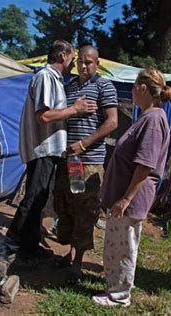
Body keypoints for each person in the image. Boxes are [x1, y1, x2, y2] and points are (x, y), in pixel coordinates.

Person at [0, 40, 98, 266]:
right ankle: (8, 247)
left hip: (49, 149)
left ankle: (30, 246)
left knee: (39, 199)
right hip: (43, 148)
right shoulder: (45, 76)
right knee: (33, 198)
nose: (75, 63)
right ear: (63, 56)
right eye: (73, 57)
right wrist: (75, 109)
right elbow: (43, 116)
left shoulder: (55, 79)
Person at [92, 68, 171, 307]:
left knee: (124, 245)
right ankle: (115, 286)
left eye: (134, 86)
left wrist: (126, 198)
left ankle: (120, 295)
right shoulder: (147, 117)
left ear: (143, 88)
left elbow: (145, 164)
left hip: (131, 197)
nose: (132, 91)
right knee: (116, 243)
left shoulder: (153, 119)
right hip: (123, 194)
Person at [52, 45, 118, 283]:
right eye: (80, 61)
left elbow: (112, 123)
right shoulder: (70, 86)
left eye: (89, 62)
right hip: (69, 161)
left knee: (84, 210)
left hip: (87, 161)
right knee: (66, 205)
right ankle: (70, 255)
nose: (83, 66)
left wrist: (83, 144)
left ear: (97, 63)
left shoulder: (104, 86)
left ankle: (77, 263)